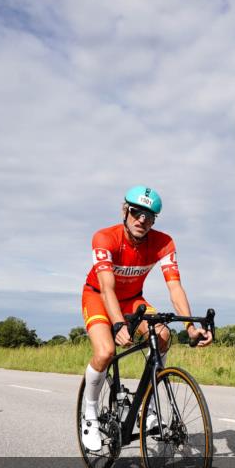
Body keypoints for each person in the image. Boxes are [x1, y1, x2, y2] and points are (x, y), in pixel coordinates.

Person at [80, 186, 212, 451]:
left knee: (163, 335)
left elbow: (175, 287)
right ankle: (90, 414)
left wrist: (190, 326)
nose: (142, 220)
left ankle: (147, 408)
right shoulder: (105, 238)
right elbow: (107, 287)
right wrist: (117, 324)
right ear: (125, 211)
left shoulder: (163, 242)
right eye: (137, 212)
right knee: (105, 352)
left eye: (149, 216)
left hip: (133, 299)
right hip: (98, 296)